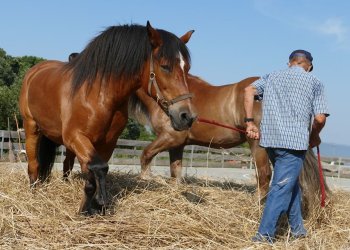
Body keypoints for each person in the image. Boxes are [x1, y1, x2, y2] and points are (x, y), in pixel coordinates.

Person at [243, 49, 329, 243]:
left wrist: (249, 122)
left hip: (270, 142)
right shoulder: (314, 81)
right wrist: (315, 136)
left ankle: (298, 230)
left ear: (289, 62)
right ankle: (263, 236)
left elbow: (248, 90)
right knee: (281, 187)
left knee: (289, 183)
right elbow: (320, 118)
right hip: (294, 144)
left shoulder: (272, 76)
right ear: (309, 66)